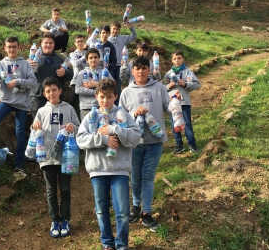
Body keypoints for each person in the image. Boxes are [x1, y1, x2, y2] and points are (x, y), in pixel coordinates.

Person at [76, 79, 141, 250]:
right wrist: (104, 140)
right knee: (101, 210)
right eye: (102, 97)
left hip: (119, 170)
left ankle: (121, 245)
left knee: (123, 213)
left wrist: (114, 130)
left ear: (116, 97)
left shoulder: (123, 115)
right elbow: (81, 140)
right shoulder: (91, 117)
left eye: (109, 97)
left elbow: (136, 137)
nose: (105, 101)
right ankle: (107, 243)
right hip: (98, 170)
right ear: (96, 96)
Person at [119, 56, 172, 233]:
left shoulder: (159, 88)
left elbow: (168, 107)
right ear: (132, 71)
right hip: (134, 143)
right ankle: (135, 206)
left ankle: (146, 213)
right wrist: (134, 114)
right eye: (137, 68)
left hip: (155, 141)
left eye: (144, 68)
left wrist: (176, 102)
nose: (140, 71)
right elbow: (120, 117)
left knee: (148, 176)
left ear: (149, 70)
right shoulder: (126, 92)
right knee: (135, 176)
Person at [0, 36, 37, 180]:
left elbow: (33, 82)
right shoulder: (0, 64)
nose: (11, 49)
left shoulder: (25, 64)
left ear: (19, 48)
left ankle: (19, 164)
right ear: (5, 48)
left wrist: (18, 81)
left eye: (14, 46)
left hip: (22, 104)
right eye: (9, 47)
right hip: (6, 101)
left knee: (20, 133)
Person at [31, 77, 80, 238]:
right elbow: (34, 134)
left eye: (54, 90)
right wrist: (34, 127)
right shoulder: (41, 111)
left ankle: (66, 219)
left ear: (60, 91)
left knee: (65, 190)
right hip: (47, 157)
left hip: (66, 157)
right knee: (51, 191)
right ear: (44, 94)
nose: (51, 93)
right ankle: (55, 220)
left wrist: (73, 128)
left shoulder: (69, 109)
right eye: (48, 91)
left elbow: (79, 129)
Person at [162, 50, 201, 154]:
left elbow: (197, 84)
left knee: (187, 124)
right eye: (174, 59)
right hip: (173, 104)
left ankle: (192, 145)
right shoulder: (168, 74)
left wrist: (185, 84)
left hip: (184, 102)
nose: (177, 60)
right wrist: (169, 86)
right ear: (171, 60)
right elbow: (161, 88)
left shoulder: (188, 72)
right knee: (175, 124)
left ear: (183, 59)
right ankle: (179, 145)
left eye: (179, 58)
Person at [28, 32, 73, 119]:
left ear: (54, 44)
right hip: (38, 97)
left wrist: (65, 72)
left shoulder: (60, 59)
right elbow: (24, 75)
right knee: (38, 127)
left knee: (56, 126)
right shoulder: (33, 59)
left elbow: (71, 75)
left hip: (56, 98)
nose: (48, 45)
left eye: (50, 43)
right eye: (46, 42)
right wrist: (28, 67)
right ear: (41, 44)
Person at [75, 48, 114, 121]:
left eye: (95, 57)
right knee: (87, 131)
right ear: (87, 60)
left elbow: (112, 85)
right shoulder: (82, 73)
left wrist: (96, 84)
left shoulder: (105, 72)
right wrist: (97, 93)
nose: (93, 60)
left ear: (99, 59)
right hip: (86, 107)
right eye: (91, 58)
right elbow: (78, 89)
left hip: (102, 106)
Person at [108, 21, 137, 104]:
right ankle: (110, 103)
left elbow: (134, 36)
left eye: (117, 29)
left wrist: (131, 28)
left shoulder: (122, 38)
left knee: (118, 86)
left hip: (120, 66)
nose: (115, 31)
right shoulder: (107, 39)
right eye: (114, 29)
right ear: (110, 29)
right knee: (110, 85)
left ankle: (118, 104)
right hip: (110, 66)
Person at [68, 34, 89, 108]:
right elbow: (75, 63)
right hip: (76, 80)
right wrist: (85, 57)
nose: (80, 43)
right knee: (73, 101)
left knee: (86, 101)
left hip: (87, 80)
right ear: (75, 43)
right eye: (78, 41)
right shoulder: (73, 54)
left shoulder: (89, 53)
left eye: (82, 41)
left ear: (84, 42)